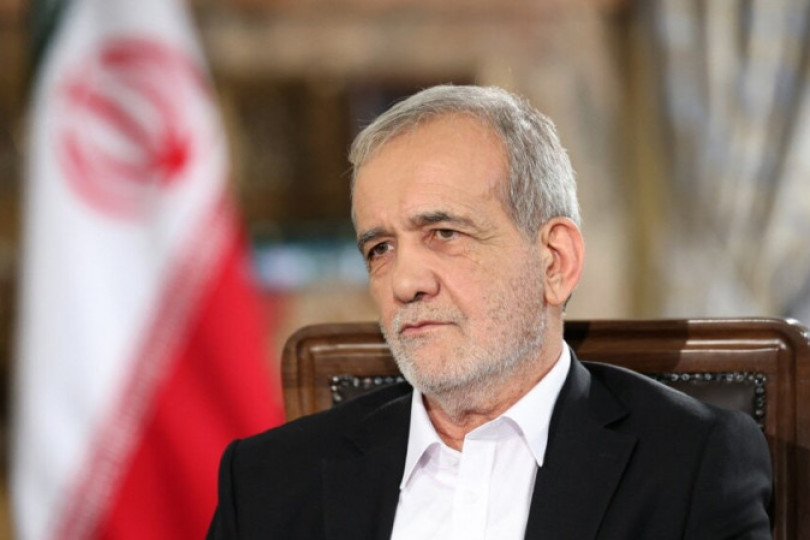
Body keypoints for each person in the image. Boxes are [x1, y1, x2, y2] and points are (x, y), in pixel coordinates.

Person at [206, 85, 773, 539]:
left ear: (554, 261)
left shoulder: (690, 465)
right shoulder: (267, 482)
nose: (405, 282)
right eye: (380, 248)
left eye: (444, 233)